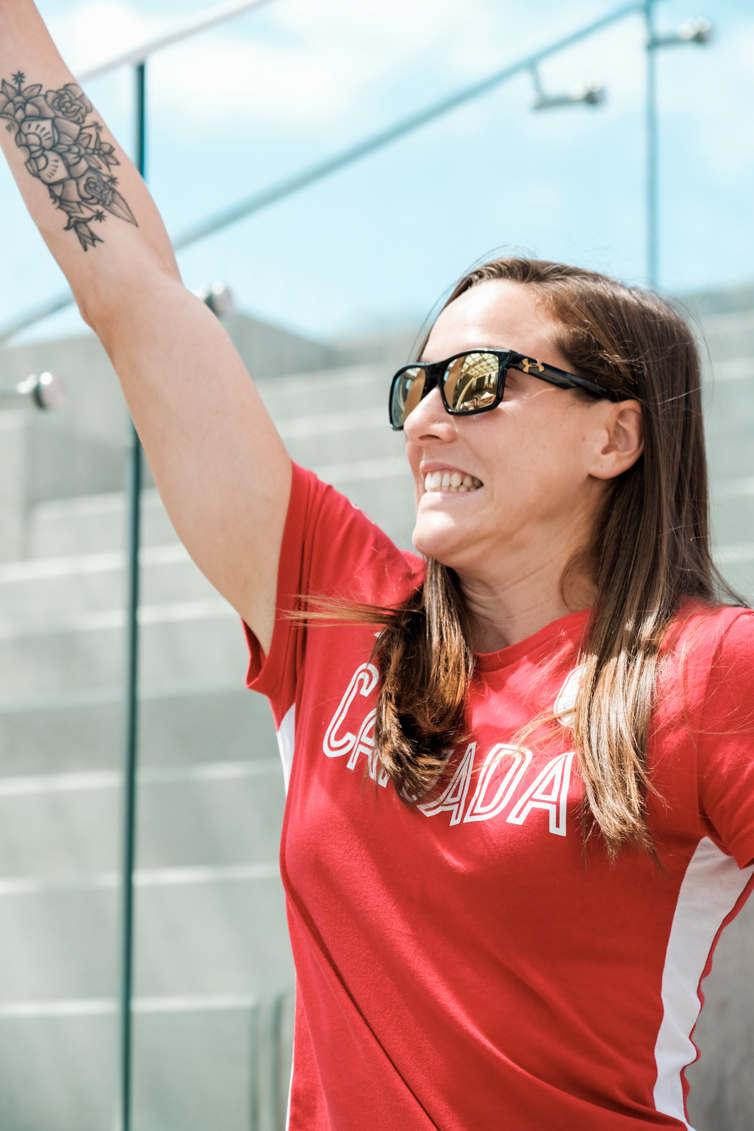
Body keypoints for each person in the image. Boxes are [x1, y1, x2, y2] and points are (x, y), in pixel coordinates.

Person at [2, 5, 754, 1129]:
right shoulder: (335, 609)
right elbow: (136, 296)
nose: (428, 422)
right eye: (417, 387)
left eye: (481, 382)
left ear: (616, 437)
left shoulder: (707, 672)